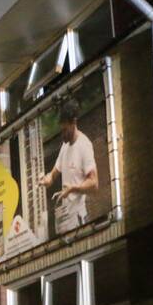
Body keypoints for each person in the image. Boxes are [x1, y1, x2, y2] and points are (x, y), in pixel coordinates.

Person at [39, 99, 98, 232]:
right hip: (66, 221)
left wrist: (73, 188)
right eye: (61, 130)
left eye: (65, 130)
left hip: (80, 219)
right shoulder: (65, 147)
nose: (62, 135)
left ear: (74, 123)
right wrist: (46, 179)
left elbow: (94, 183)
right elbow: (53, 175)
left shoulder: (84, 145)